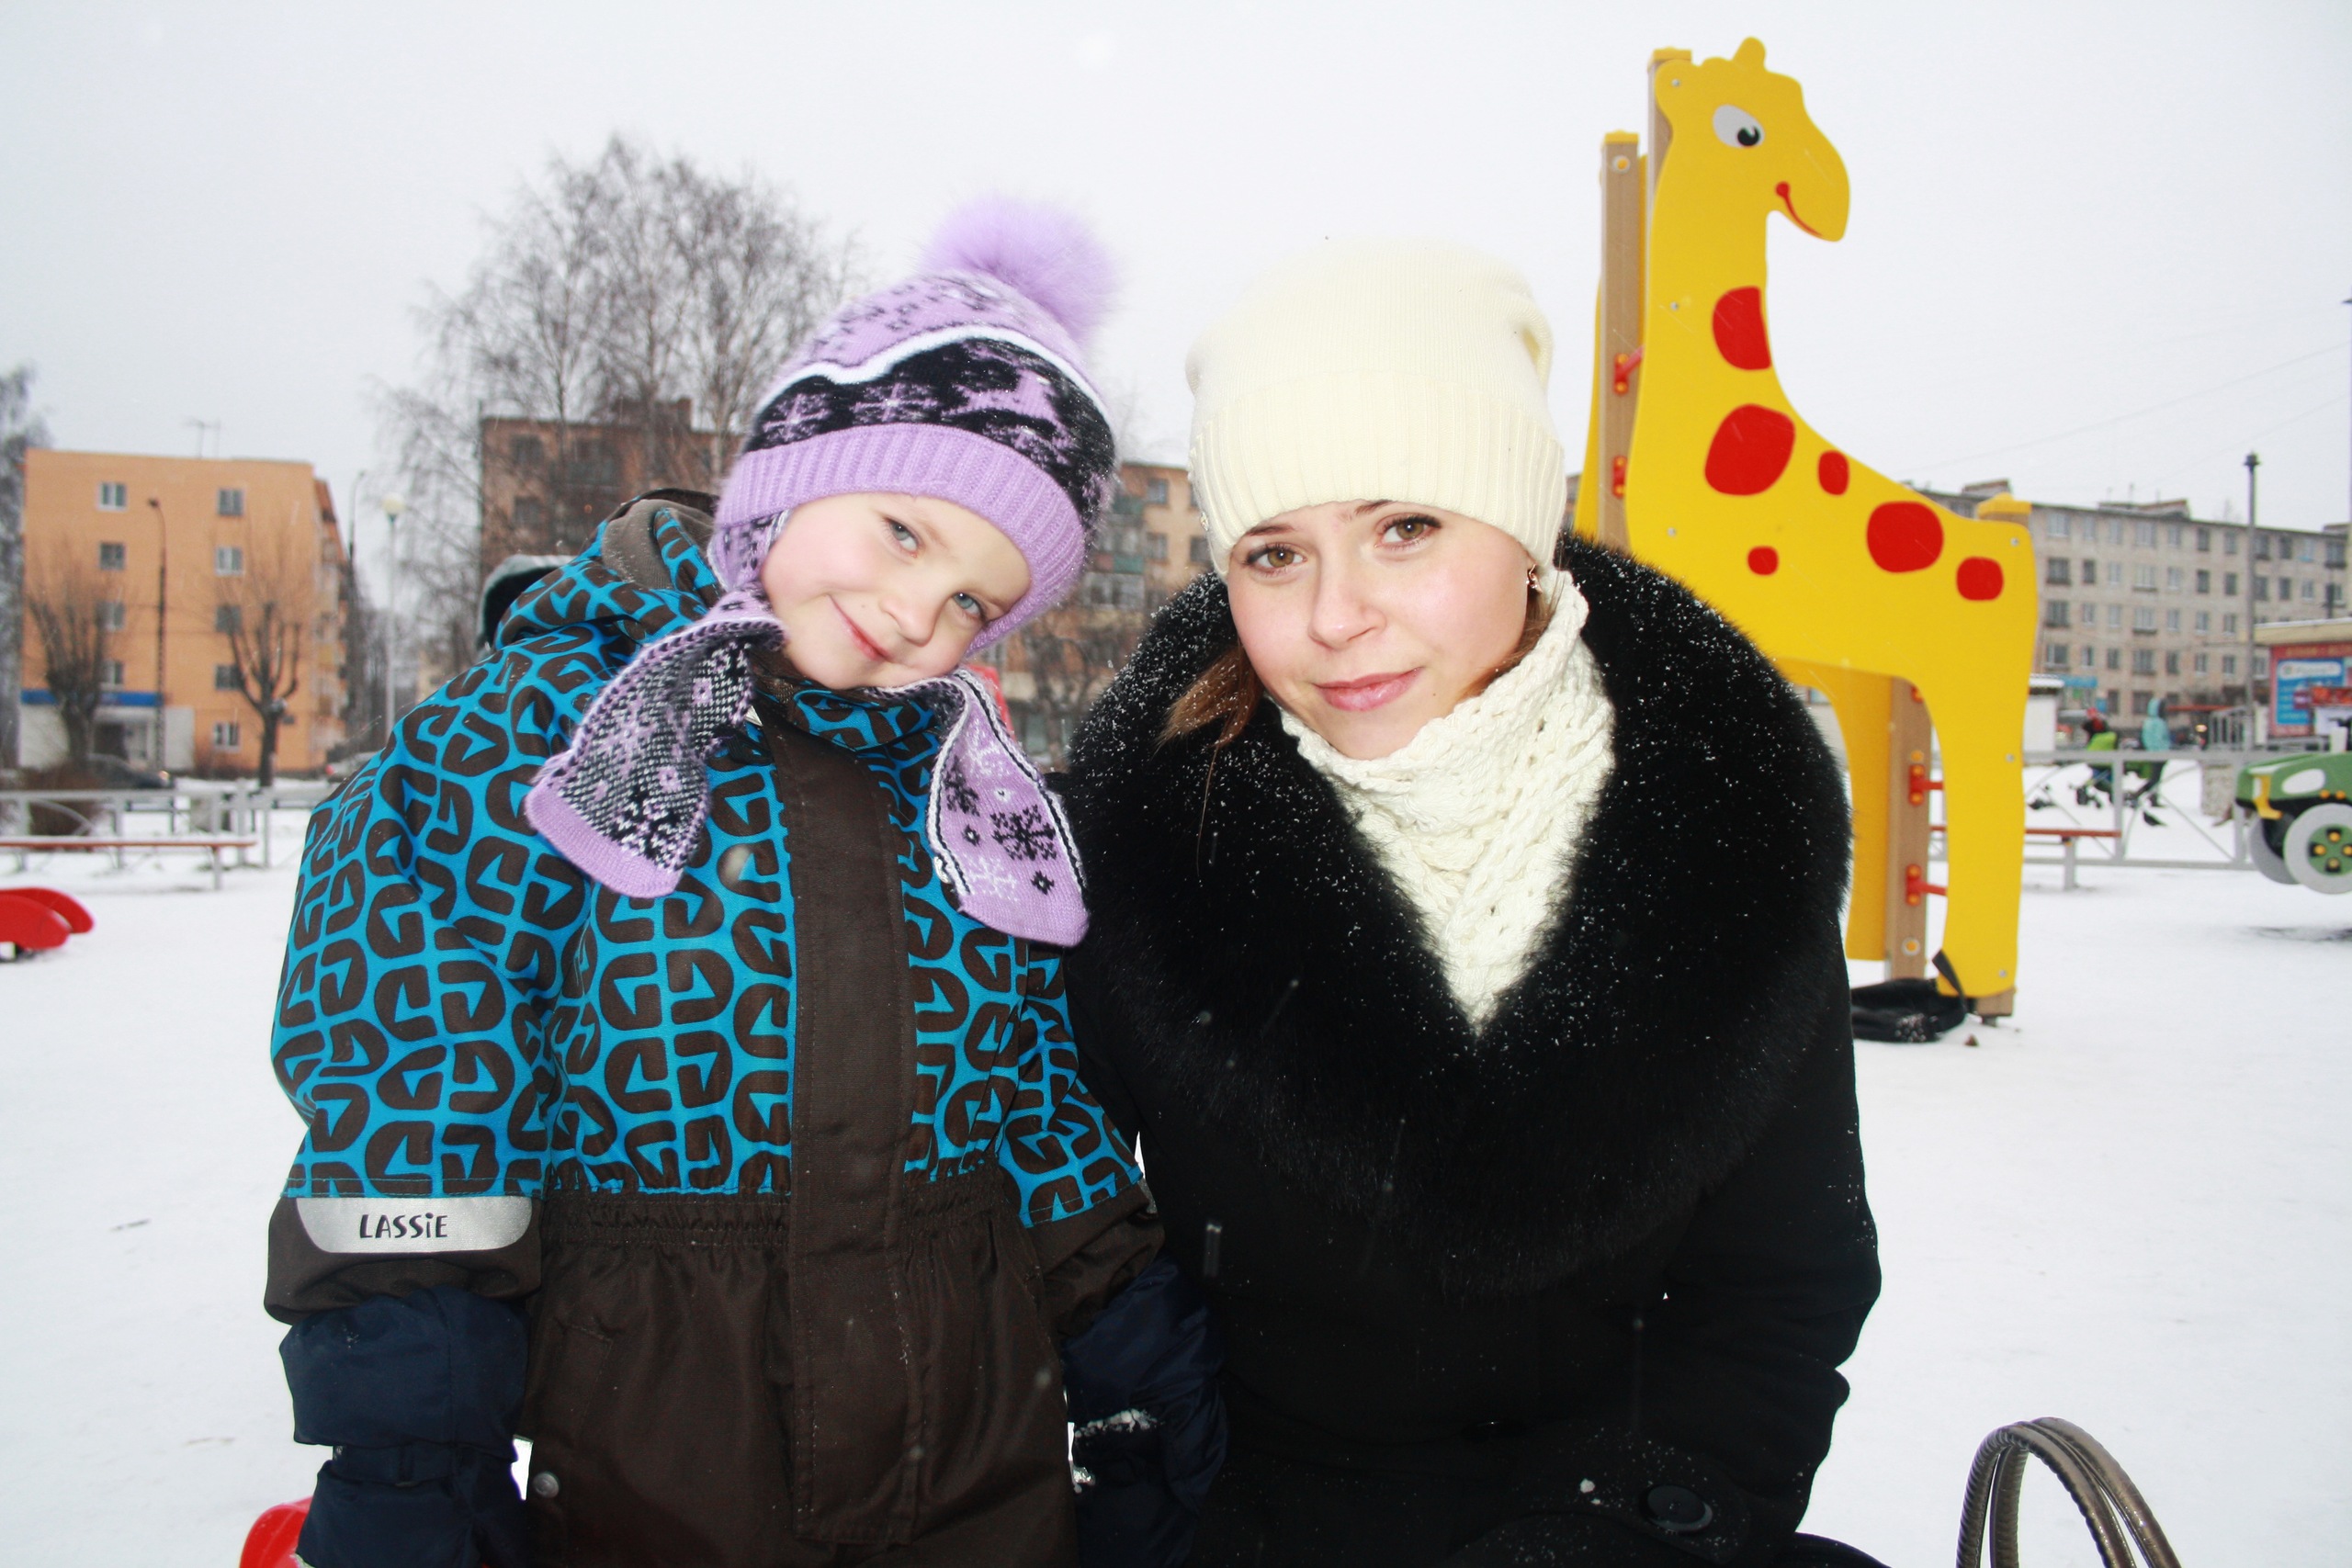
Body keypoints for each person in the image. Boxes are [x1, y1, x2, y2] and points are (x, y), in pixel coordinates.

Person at [264, 203, 1220, 1568]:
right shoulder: (533, 740)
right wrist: (414, 1454)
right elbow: (414, 1101)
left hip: (974, 1458)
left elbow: (1022, 1096)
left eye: (974, 601)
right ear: (792, 470)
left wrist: (1136, 1348)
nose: (919, 614)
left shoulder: (961, 799)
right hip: (657, 1457)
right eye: (903, 531)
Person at [1060, 241, 1883, 1567]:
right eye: (1274, 554)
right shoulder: (1148, 847)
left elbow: (1778, 1291)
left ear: (1522, 526)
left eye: (1406, 528)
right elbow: (1050, 1224)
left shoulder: (1729, 830)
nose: (1336, 616)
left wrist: (1619, 1530)